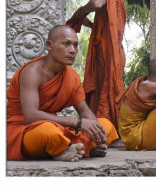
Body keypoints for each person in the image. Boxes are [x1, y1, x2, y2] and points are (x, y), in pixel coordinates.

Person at [7, 25, 121, 162]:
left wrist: (97, 133)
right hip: (23, 130)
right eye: (66, 44)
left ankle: (66, 149)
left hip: (57, 127)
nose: (73, 50)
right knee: (49, 133)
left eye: (75, 45)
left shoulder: (72, 76)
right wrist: (76, 122)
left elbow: (84, 110)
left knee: (105, 125)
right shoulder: (32, 72)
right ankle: (73, 148)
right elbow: (30, 116)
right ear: (50, 45)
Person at [65, 0, 126, 131]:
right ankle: (105, 125)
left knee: (107, 86)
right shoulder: (118, 2)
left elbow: (96, 4)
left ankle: (109, 127)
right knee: (104, 86)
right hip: (115, 51)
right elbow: (107, 29)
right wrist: (91, 24)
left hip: (107, 52)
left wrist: (81, 11)